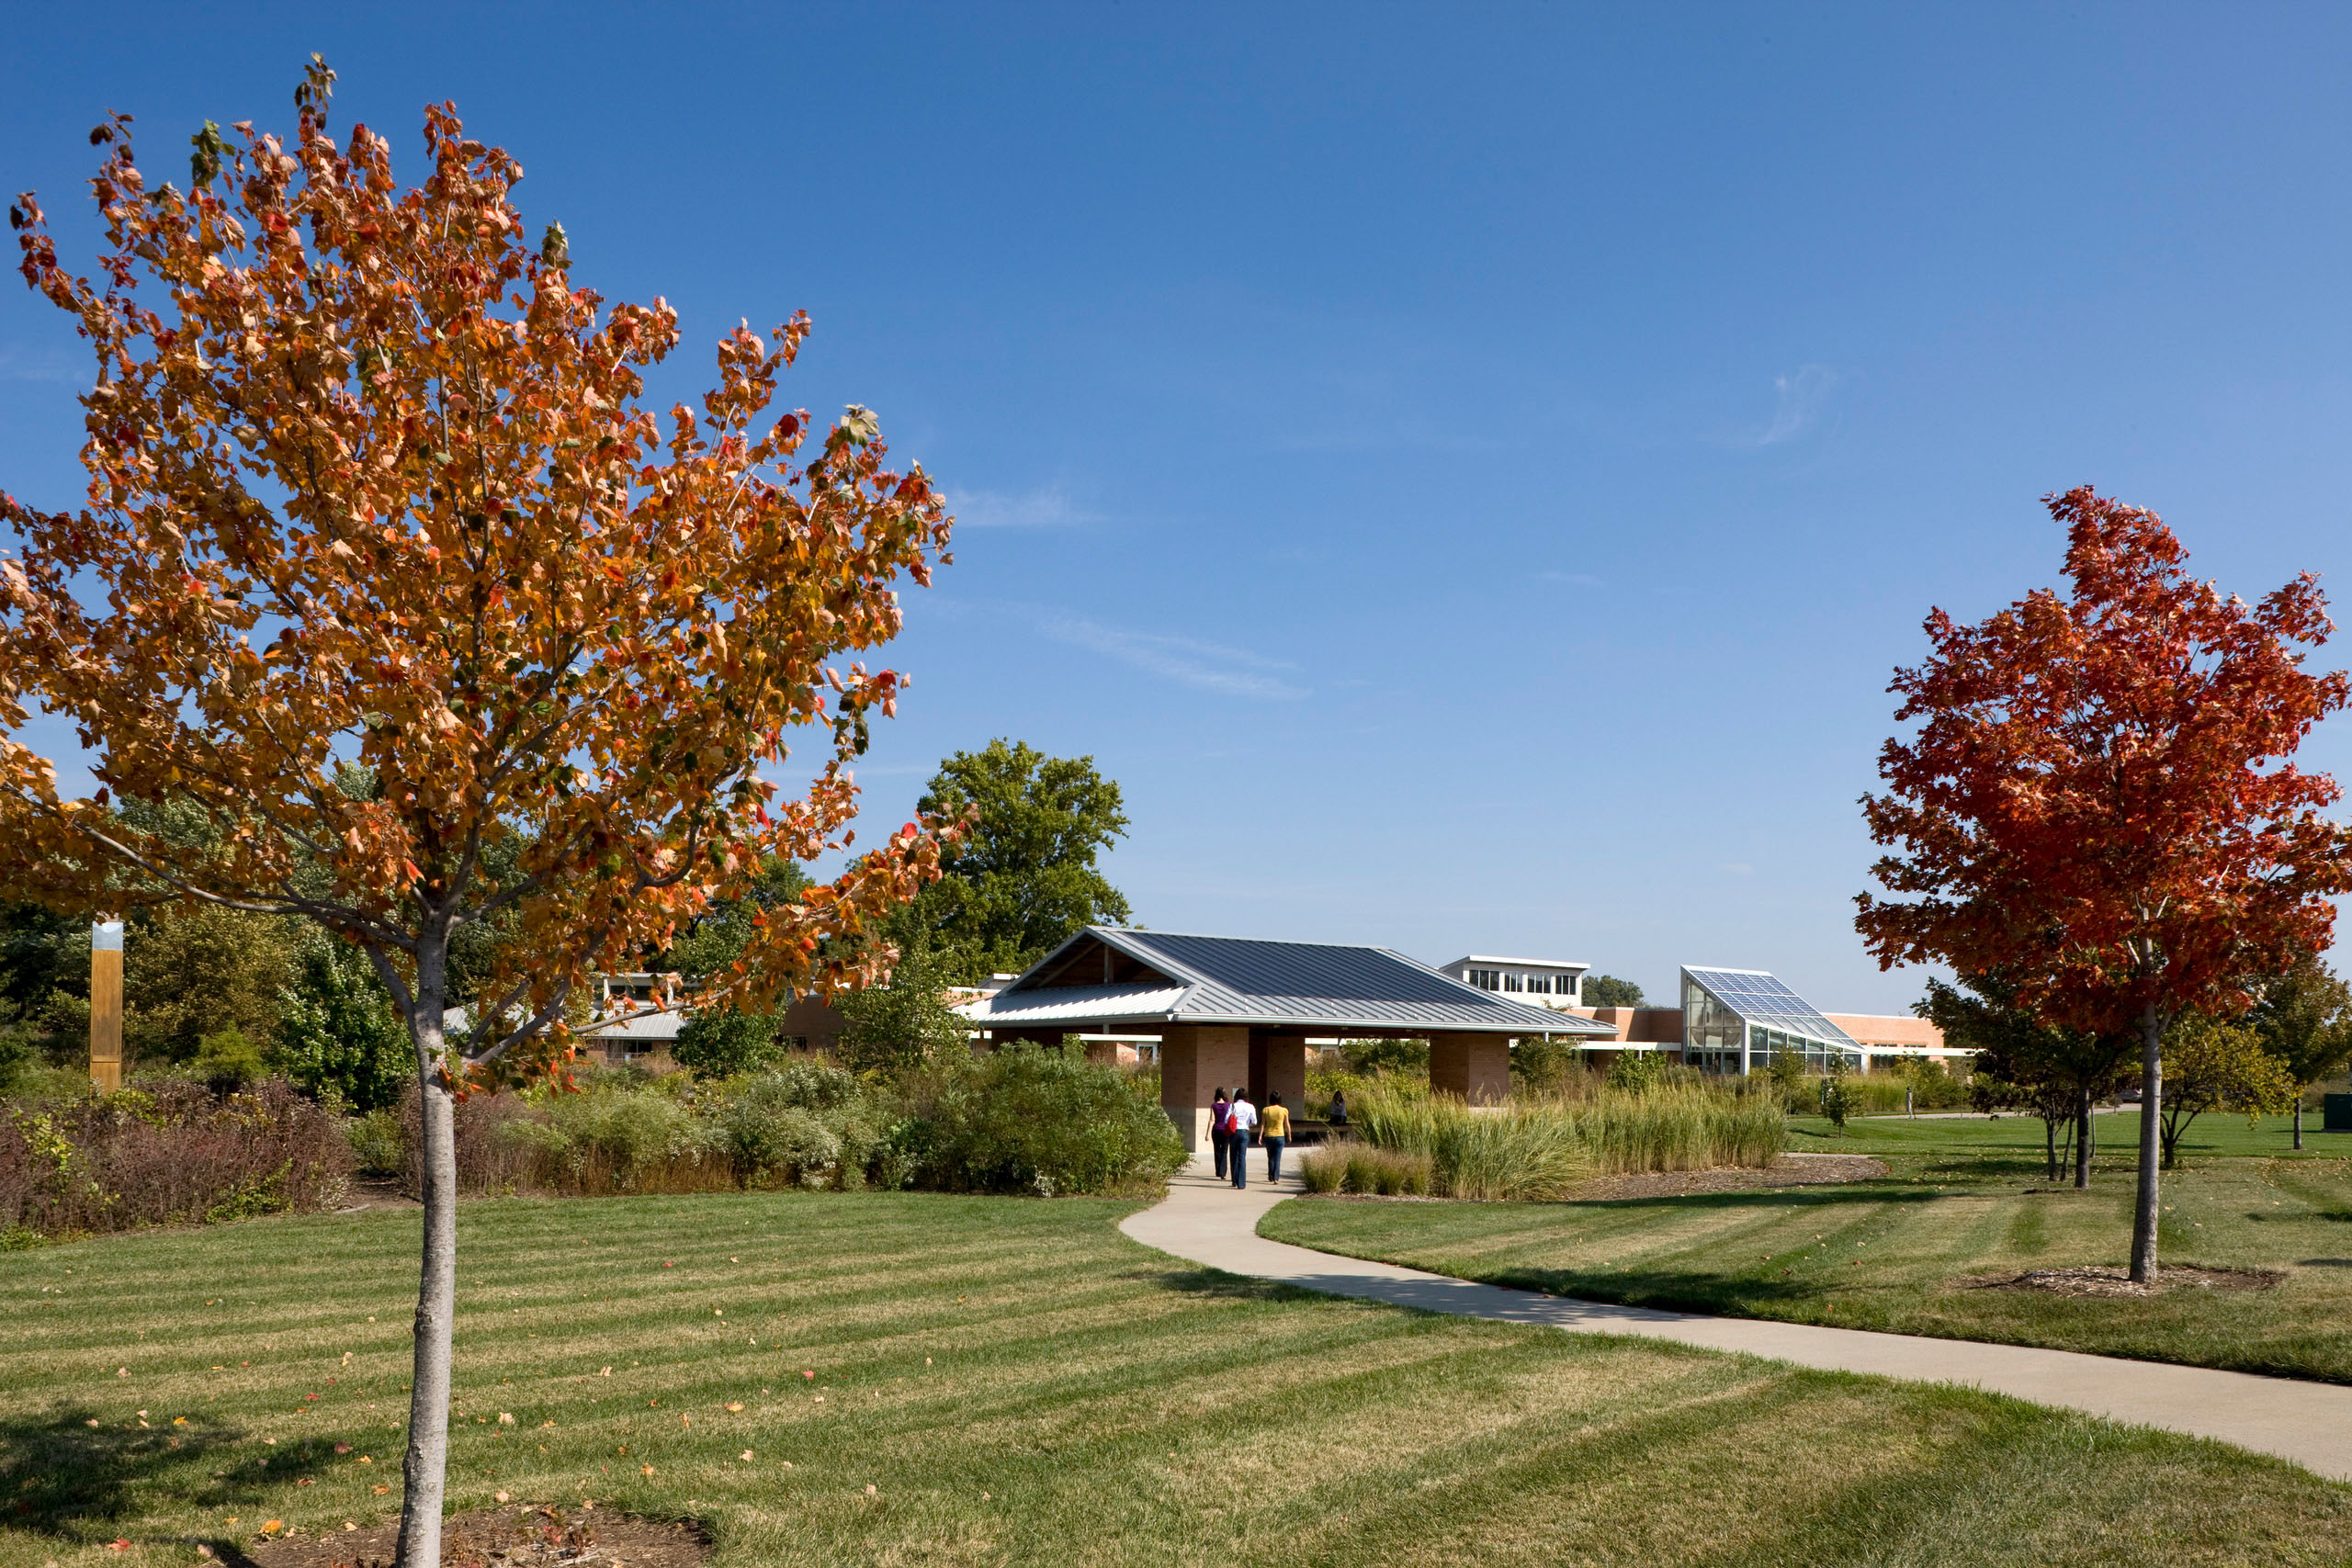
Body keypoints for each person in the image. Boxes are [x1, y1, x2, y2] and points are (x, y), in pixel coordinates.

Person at [1227, 1089, 1259, 1189]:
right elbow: (1254, 1121)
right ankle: (1241, 1183)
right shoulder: (1250, 1106)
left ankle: (1234, 1180)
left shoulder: (1232, 1106)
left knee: (1233, 1156)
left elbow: (1226, 1120)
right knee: (1242, 1157)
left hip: (1234, 1132)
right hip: (1244, 1132)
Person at [1260, 1092, 1291, 1184]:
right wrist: (1289, 1135)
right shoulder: (1284, 1110)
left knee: (1270, 1157)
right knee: (1277, 1157)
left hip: (1269, 1136)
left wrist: (1260, 1135)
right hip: (1280, 1136)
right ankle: (1276, 1177)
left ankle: (1271, 1176)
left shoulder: (1266, 1110)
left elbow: (1263, 1124)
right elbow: (1287, 1124)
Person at [1209, 1087, 1231, 1179]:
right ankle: (1223, 1172)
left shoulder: (1213, 1105)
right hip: (1225, 1130)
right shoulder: (1229, 1105)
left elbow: (1211, 1119)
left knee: (1217, 1150)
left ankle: (1218, 1171)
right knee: (1224, 1151)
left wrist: (1207, 1134)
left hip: (1216, 1129)